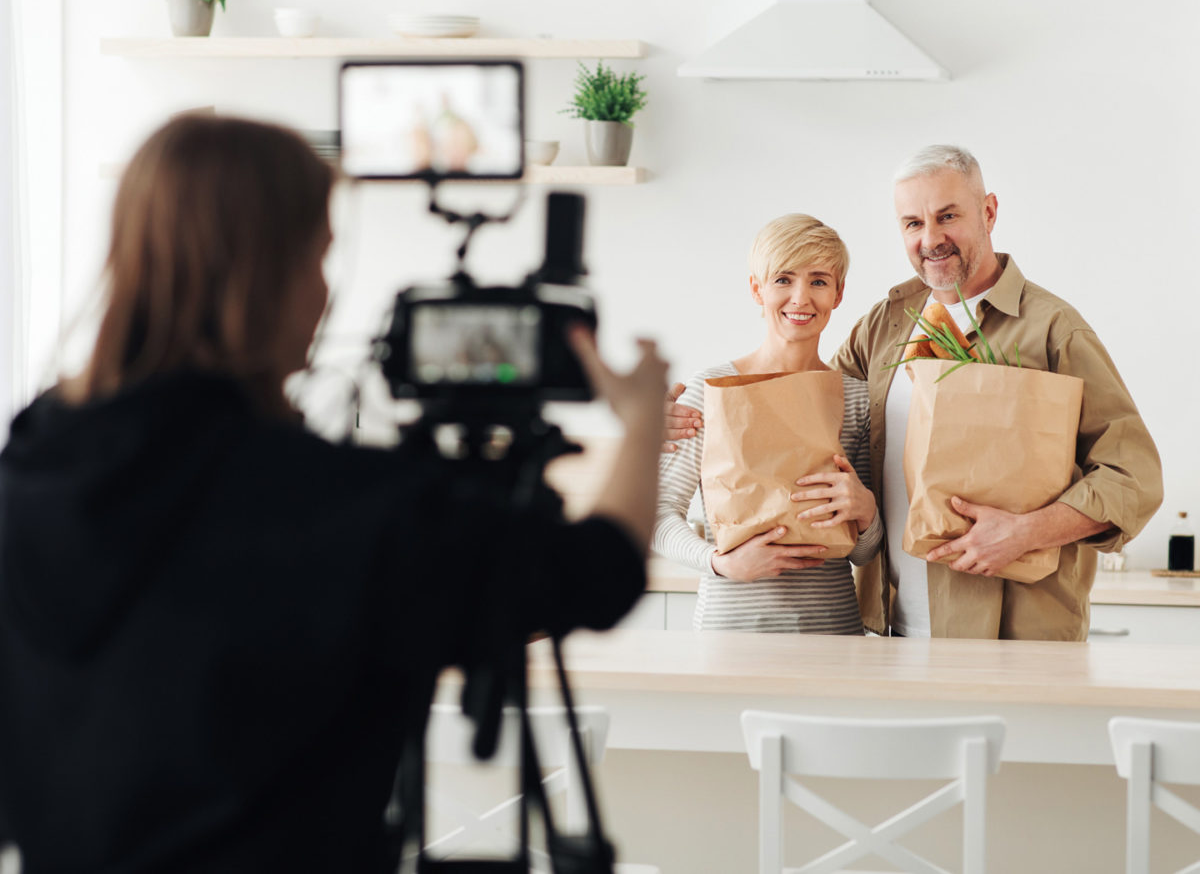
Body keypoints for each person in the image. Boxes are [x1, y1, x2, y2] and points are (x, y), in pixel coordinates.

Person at [0, 115, 668, 872]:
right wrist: (643, 420)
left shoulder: (32, 463)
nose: (324, 290)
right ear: (268, 277)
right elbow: (597, 573)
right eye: (317, 257)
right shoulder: (330, 502)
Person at [666, 146, 1162, 640]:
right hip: (887, 631)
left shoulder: (1052, 329)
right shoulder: (885, 325)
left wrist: (1026, 531)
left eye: (948, 216)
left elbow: (1133, 476)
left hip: (1013, 631)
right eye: (912, 223)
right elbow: (792, 423)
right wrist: (675, 426)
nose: (931, 239)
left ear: (988, 212)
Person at [654, 214, 883, 633]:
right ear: (756, 289)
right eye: (783, 279)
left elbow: (863, 554)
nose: (800, 298)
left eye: (818, 281)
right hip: (730, 633)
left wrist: (866, 512)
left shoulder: (856, 399)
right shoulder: (713, 390)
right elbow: (657, 515)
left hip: (832, 633)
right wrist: (720, 563)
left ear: (838, 293)